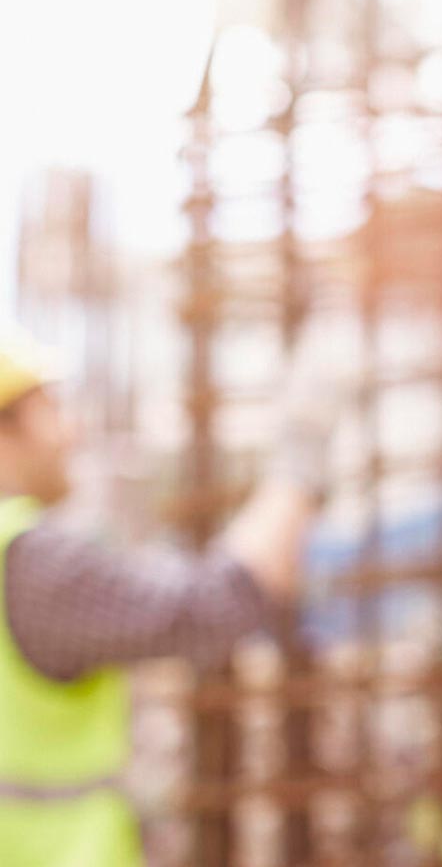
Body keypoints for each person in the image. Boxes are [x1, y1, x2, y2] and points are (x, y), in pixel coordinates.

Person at [0, 329, 337, 866]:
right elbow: (209, 607)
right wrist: (300, 462)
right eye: (51, 411)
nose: (71, 432)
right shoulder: (28, 562)